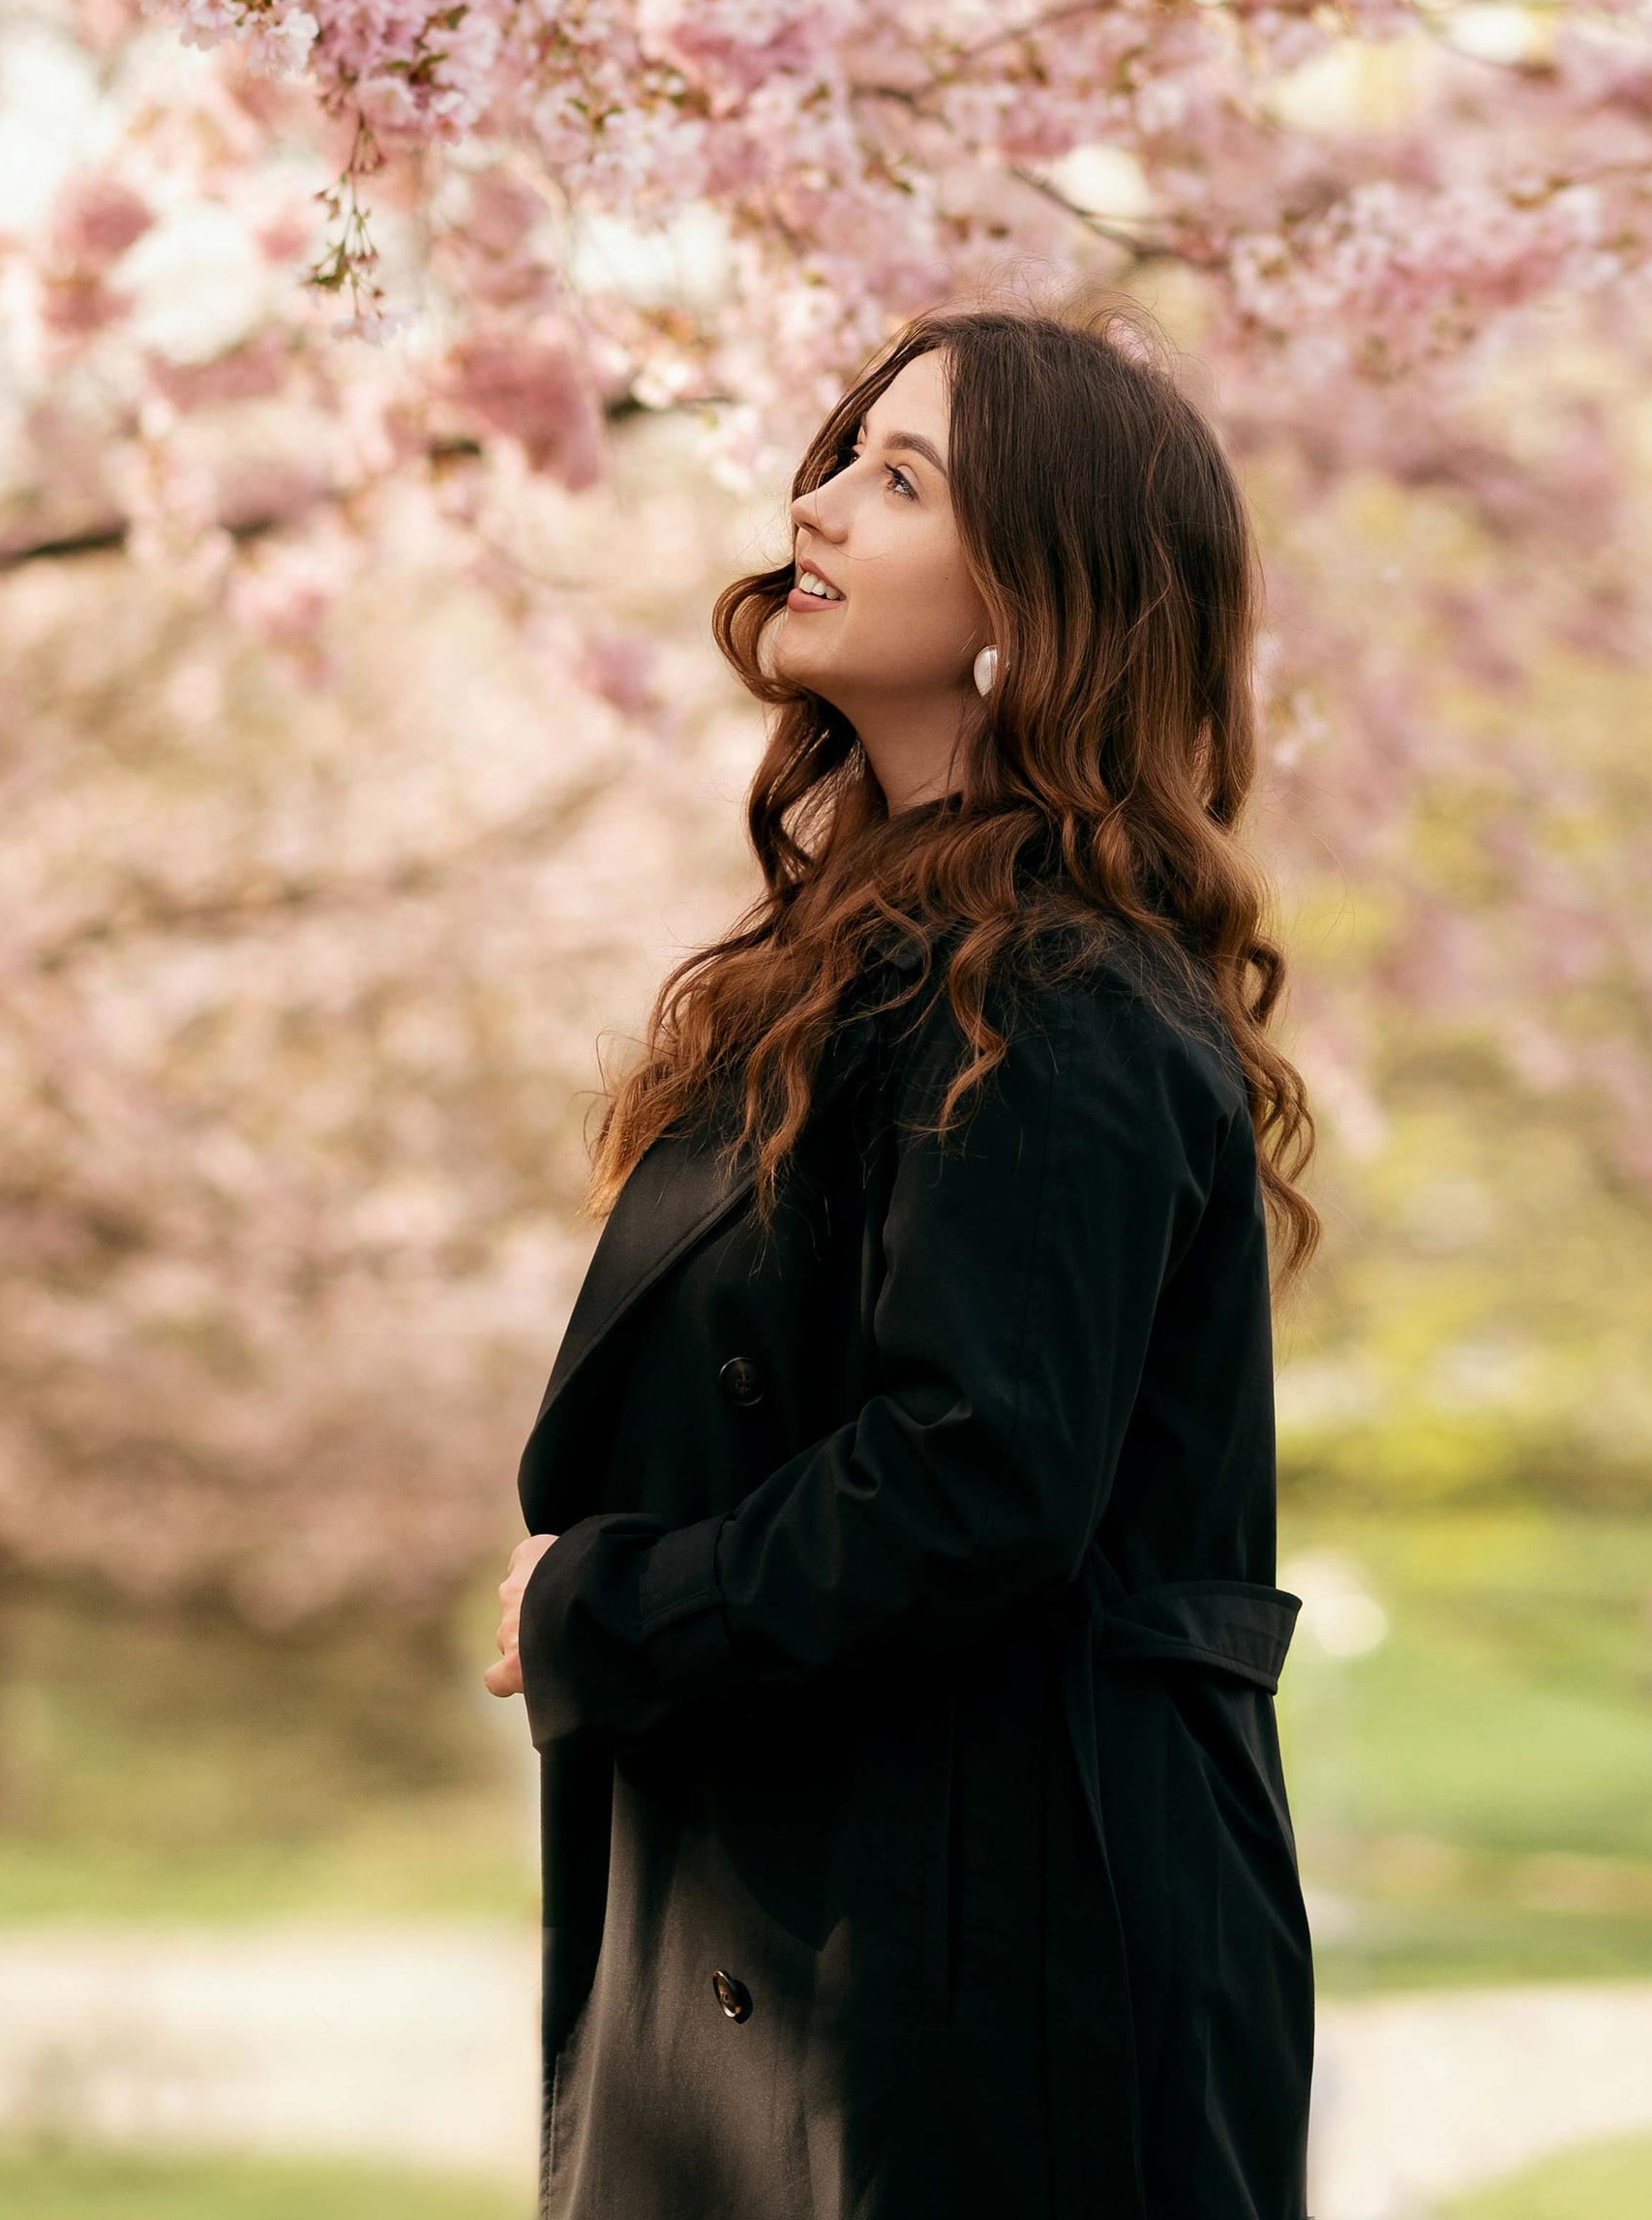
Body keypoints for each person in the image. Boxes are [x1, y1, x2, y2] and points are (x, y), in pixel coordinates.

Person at [484, 306, 1318, 2220]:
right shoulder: (869, 964)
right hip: (846, 1933)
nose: (817, 503)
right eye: (841, 453)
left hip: (978, 1980)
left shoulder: (1057, 990)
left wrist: (608, 1604)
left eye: (902, 477)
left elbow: (978, 1476)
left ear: (1042, 591)